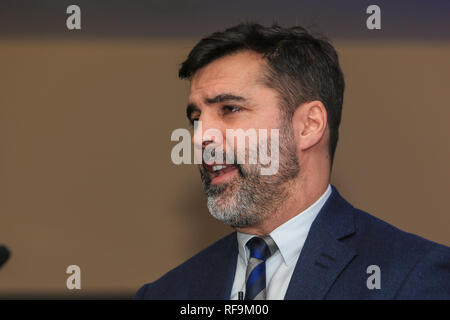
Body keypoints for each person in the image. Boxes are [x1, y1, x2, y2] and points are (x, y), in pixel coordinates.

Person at [135, 23, 450, 299]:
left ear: (308, 125)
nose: (199, 137)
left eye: (229, 109)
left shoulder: (414, 277)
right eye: (195, 118)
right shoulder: (166, 292)